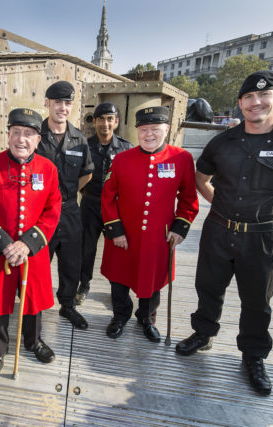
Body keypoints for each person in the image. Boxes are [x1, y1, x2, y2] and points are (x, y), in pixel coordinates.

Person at [175, 70, 273, 396]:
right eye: (248, 97)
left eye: (264, 95)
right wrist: (223, 209)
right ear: (241, 102)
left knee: (257, 300)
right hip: (218, 230)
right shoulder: (222, 142)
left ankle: (253, 355)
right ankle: (203, 334)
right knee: (208, 287)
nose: (255, 102)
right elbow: (201, 179)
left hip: (263, 237)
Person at [0, 108, 62, 376]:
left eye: (29, 134)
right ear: (8, 134)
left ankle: (33, 342)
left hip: (33, 251)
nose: (22, 139)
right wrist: (4, 244)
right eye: (16, 132)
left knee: (33, 301)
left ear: (38, 139)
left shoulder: (48, 169)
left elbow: (52, 210)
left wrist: (27, 244)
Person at [100, 106, 199, 341]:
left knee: (152, 281)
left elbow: (188, 198)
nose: (149, 134)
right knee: (119, 279)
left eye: (155, 129)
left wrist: (179, 228)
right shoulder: (122, 159)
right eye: (143, 129)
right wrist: (115, 230)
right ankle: (120, 316)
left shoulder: (181, 158)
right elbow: (107, 197)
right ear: (137, 131)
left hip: (158, 236)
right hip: (124, 233)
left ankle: (146, 318)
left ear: (167, 129)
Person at [36, 81, 94, 330]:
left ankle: (67, 305)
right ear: (47, 103)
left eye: (67, 103)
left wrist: (66, 196)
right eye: (57, 102)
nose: (62, 107)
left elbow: (87, 174)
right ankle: (34, 306)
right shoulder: (34, 135)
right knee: (38, 262)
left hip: (70, 211)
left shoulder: (79, 139)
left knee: (71, 262)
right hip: (40, 212)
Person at [77, 102, 132, 305]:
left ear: (116, 122)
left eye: (110, 119)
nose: (105, 123)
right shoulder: (85, 146)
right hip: (90, 205)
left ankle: (117, 291)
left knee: (117, 251)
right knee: (86, 249)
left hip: (116, 209)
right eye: (101, 119)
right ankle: (83, 286)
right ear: (95, 122)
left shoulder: (126, 149)